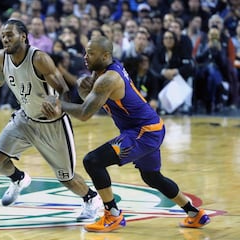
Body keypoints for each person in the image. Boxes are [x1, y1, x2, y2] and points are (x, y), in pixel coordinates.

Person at [41, 36, 210, 232]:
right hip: (150, 127)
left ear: (105, 56)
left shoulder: (108, 79)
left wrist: (60, 105)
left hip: (144, 132)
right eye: (86, 52)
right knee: (152, 178)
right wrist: (83, 89)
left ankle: (112, 215)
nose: (85, 57)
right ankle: (194, 213)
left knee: (93, 161)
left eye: (91, 53)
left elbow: (85, 113)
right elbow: (91, 99)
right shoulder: (105, 70)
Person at [0, 19, 102, 221]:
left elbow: (63, 90)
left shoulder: (39, 58)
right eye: (3, 35)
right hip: (25, 118)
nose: (5, 39)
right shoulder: (2, 57)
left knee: (67, 179)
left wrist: (55, 103)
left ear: (23, 36)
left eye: (9, 35)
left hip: (52, 124)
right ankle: (19, 179)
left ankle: (91, 198)